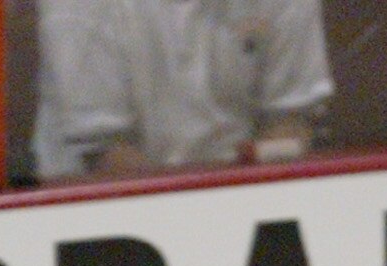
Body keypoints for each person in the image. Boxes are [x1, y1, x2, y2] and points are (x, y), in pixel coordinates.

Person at [31, 0, 331, 181]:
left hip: (241, 199)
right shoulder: (78, 7)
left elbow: (292, 118)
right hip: (96, 212)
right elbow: (105, 154)